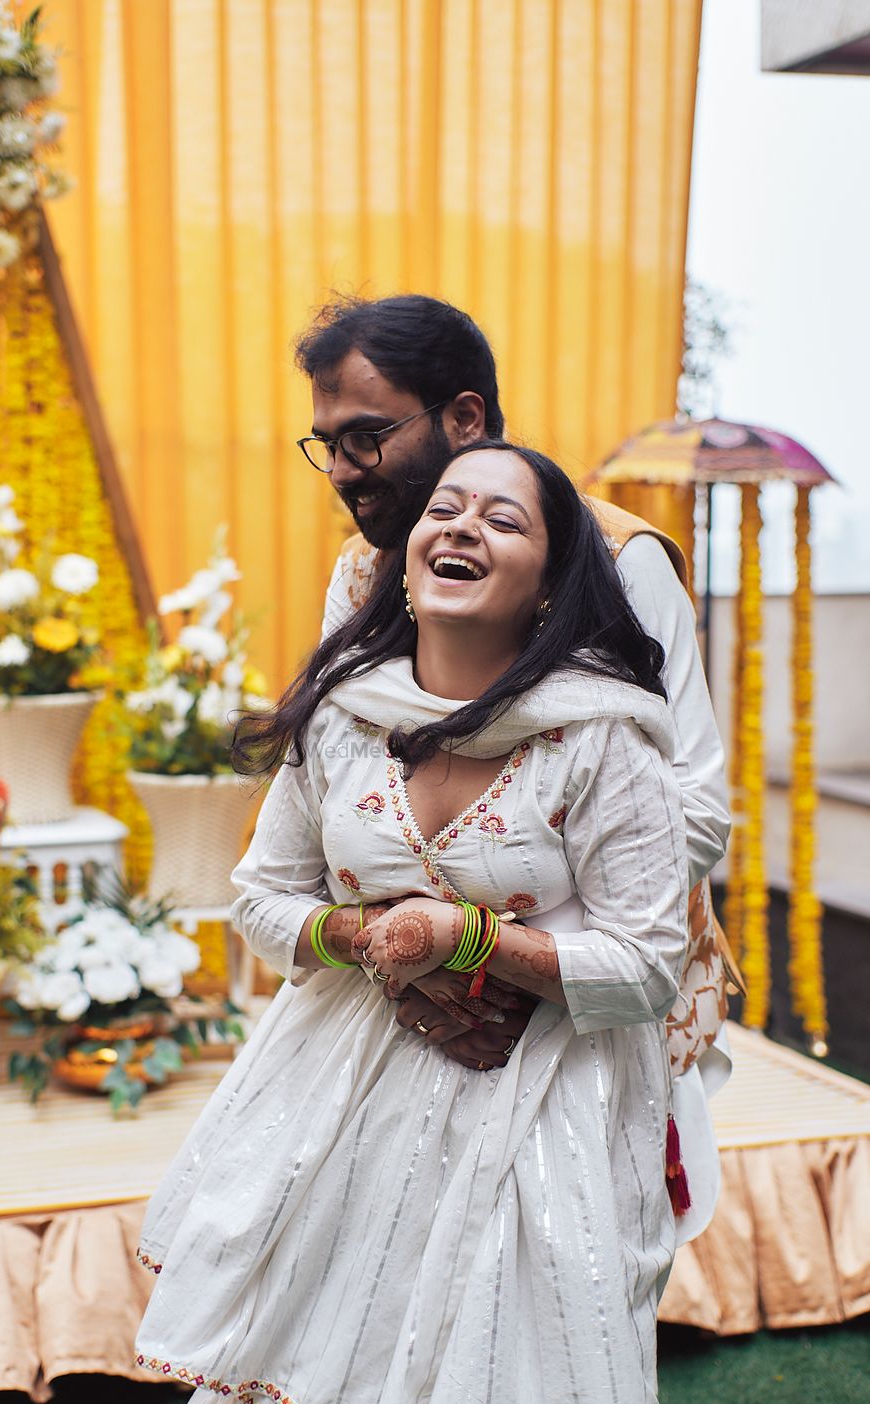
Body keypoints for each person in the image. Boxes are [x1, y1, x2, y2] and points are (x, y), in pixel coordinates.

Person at [133, 441, 689, 1404]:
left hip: (537, 1110)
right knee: (287, 1387)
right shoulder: (344, 715)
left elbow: (649, 961)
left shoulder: (600, 740)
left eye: (503, 519)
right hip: (344, 1098)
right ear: (405, 554)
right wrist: (366, 939)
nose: (462, 526)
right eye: (445, 507)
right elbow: (260, 895)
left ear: (547, 586)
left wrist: (466, 938)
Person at [296, 295, 735, 1215]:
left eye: (367, 436)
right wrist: (412, 959)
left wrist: (505, 954)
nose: (342, 470)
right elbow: (341, 778)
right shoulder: (358, 572)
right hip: (407, 1016)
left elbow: (693, 811)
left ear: (463, 416)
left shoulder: (617, 557)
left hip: (578, 1018)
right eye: (326, 443)